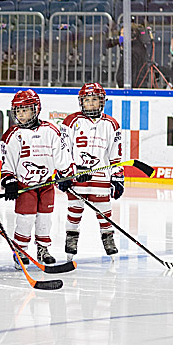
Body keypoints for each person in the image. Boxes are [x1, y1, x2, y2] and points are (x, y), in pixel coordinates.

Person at [0, 89, 73, 265]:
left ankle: (43, 248)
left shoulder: (51, 131)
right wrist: (9, 181)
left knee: (45, 218)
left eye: (25, 110)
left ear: (36, 109)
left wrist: (66, 174)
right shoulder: (12, 135)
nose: (21, 114)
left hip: (46, 184)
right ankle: (21, 250)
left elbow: (61, 155)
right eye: (18, 110)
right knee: (25, 219)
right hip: (25, 185)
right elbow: (7, 163)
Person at [60, 83, 123, 258]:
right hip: (77, 176)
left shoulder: (111, 124)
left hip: (101, 177)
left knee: (104, 210)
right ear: (81, 102)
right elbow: (63, 149)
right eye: (87, 100)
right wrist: (65, 172)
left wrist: (117, 177)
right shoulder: (71, 121)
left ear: (102, 101)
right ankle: (71, 240)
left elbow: (115, 154)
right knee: (74, 210)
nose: (91, 103)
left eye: (94, 99)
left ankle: (108, 238)